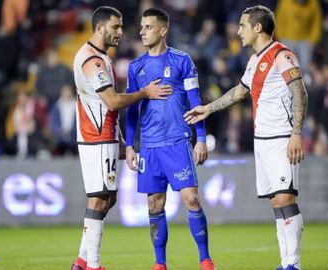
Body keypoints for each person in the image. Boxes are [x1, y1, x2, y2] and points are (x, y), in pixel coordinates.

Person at [184, 5, 307, 270]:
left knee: (286, 198)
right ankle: (286, 262)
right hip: (261, 140)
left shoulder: (282, 55)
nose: (238, 31)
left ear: (258, 27)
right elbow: (240, 92)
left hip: (282, 137)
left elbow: (300, 93)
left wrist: (296, 134)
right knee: (276, 201)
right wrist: (208, 108)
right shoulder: (254, 60)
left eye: (242, 26)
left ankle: (293, 264)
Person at [70, 6, 172, 270]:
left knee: (108, 197)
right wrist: (145, 93)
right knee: (99, 198)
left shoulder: (101, 57)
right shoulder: (91, 61)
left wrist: (121, 143)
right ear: (100, 27)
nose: (120, 32)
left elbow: (105, 105)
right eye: (115, 27)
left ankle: (82, 261)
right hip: (97, 135)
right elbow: (113, 102)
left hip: (105, 136)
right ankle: (92, 264)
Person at [125, 8, 217, 270]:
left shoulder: (182, 61)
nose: (142, 31)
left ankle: (205, 259)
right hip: (150, 147)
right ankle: (160, 263)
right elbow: (133, 110)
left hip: (177, 142)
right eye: (141, 27)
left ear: (163, 30)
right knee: (154, 203)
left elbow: (195, 101)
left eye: (148, 27)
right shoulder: (136, 67)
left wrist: (200, 138)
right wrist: (130, 146)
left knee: (191, 199)